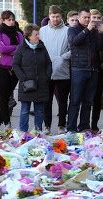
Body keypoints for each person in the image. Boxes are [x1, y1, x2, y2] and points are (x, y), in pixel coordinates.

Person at [67, 8, 103, 132]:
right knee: (75, 100)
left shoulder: (94, 31)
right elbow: (75, 42)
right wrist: (87, 30)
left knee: (88, 101)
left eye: (89, 17)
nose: (88, 19)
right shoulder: (72, 29)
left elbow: (99, 48)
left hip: (93, 70)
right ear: (79, 17)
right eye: (85, 17)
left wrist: (100, 34)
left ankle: (84, 126)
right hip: (79, 69)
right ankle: (71, 128)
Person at [13, 24, 52, 132]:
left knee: (39, 110)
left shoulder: (41, 47)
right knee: (25, 110)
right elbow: (15, 65)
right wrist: (23, 78)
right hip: (27, 84)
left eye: (38, 34)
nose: (38, 36)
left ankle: (37, 132)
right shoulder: (21, 48)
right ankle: (23, 132)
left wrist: (47, 76)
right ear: (29, 36)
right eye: (36, 34)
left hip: (41, 84)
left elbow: (48, 63)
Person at [40, 5, 71, 134]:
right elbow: (39, 47)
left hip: (62, 70)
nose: (55, 19)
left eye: (57, 16)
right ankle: (46, 126)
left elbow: (73, 49)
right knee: (47, 101)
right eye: (53, 16)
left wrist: (62, 58)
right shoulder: (42, 30)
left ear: (61, 16)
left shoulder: (68, 31)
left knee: (63, 101)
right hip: (46, 71)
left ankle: (61, 125)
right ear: (49, 16)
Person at [0, 10, 23, 129]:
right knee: (3, 95)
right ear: (3, 20)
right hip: (1, 68)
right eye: (8, 19)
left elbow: (21, 49)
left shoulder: (18, 34)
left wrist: (10, 49)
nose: (11, 22)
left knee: (7, 95)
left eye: (12, 19)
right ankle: (7, 122)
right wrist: (14, 49)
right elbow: (1, 48)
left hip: (14, 68)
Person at [89, 9, 103, 132]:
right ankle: (83, 125)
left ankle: (94, 124)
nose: (96, 20)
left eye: (98, 18)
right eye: (93, 17)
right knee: (84, 99)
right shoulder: (86, 30)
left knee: (97, 99)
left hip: (100, 69)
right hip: (86, 68)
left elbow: (102, 47)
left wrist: (102, 33)